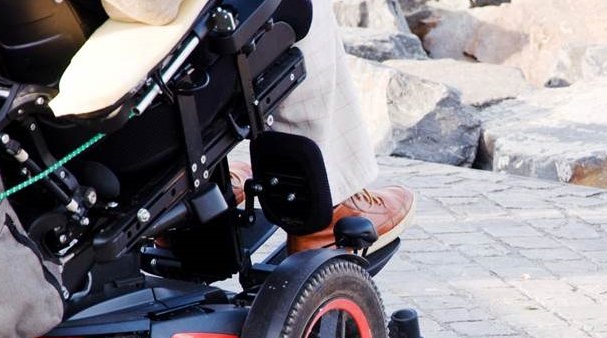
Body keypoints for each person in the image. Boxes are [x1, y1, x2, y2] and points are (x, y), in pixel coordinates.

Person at [108, 0, 414, 253]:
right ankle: (328, 205)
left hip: (97, 144)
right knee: (300, 7)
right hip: (141, 123)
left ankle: (195, 184)